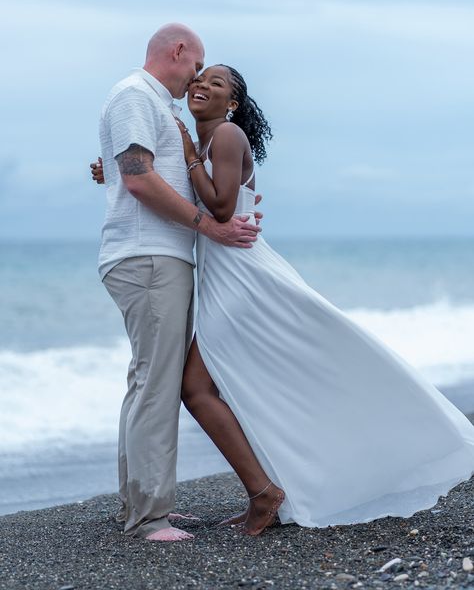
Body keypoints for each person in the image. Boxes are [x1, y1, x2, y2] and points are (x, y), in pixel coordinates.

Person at [93, 63, 474, 538]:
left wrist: (190, 156)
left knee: (195, 389)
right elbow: (174, 184)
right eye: (199, 78)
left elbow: (222, 207)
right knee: (219, 386)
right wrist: (115, 167)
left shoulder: (227, 135)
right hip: (223, 273)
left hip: (242, 276)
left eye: (216, 83)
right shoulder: (208, 141)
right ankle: (268, 489)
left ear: (231, 103)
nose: (201, 86)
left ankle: (264, 493)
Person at [97, 25, 261, 543]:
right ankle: (150, 516)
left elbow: (143, 167)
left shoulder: (154, 106)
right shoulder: (134, 96)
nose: (196, 76)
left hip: (159, 256)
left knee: (148, 381)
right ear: (178, 52)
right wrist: (209, 225)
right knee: (157, 385)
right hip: (150, 257)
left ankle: (139, 504)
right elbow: (138, 177)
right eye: (198, 64)